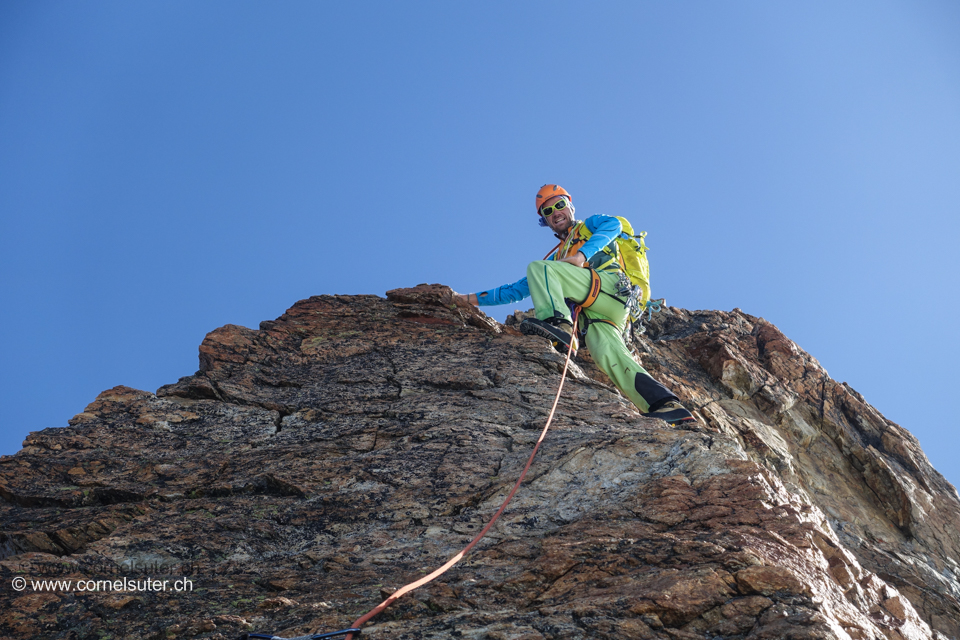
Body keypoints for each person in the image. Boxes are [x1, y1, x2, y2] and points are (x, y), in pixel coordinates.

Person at [457, 184, 695, 426]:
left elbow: (614, 225)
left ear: (570, 206)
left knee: (539, 268)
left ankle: (559, 326)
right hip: (602, 311)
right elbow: (516, 290)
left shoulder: (587, 227)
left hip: (612, 286)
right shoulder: (557, 258)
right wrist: (465, 300)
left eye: (559, 205)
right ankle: (667, 405)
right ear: (544, 221)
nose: (555, 212)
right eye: (548, 212)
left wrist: (582, 256)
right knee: (610, 356)